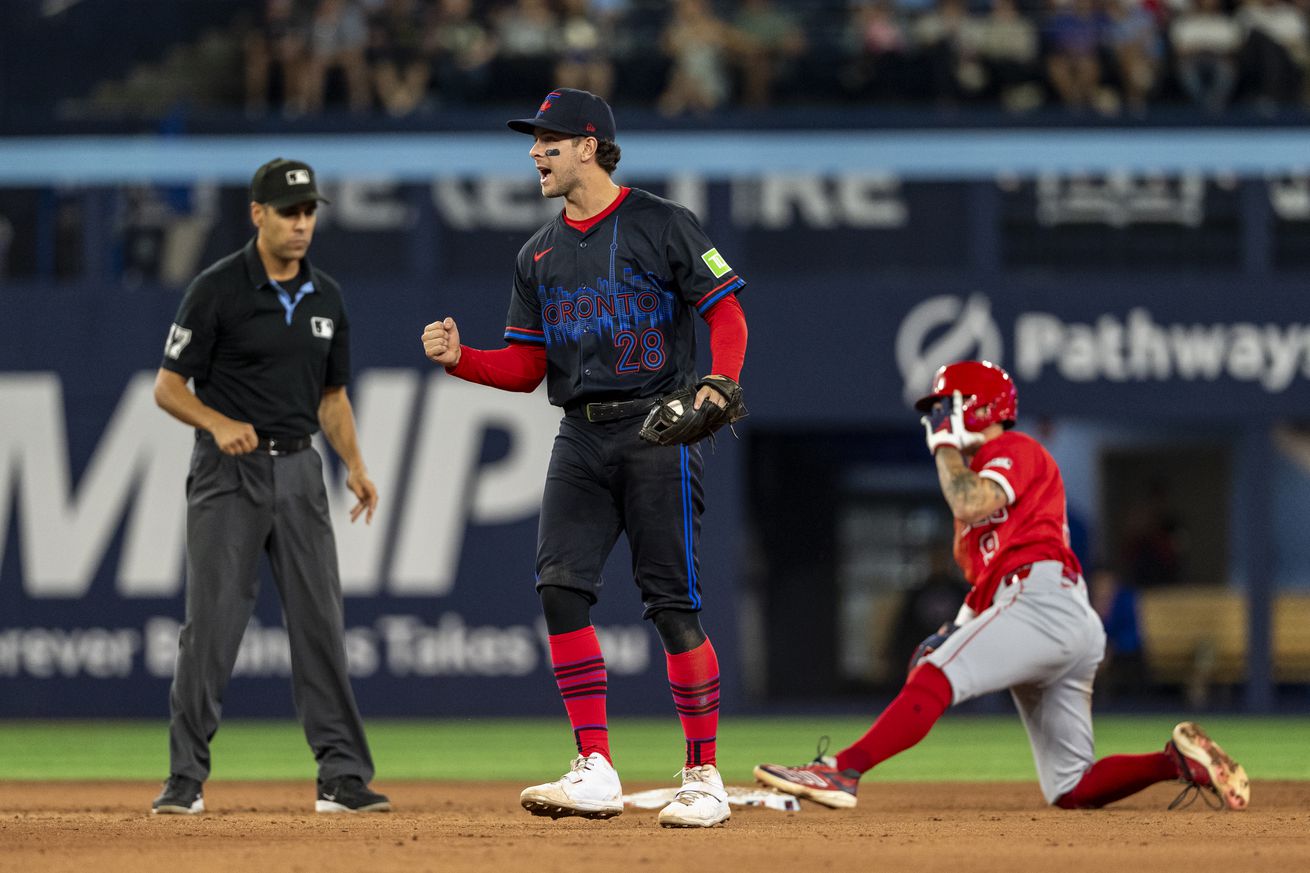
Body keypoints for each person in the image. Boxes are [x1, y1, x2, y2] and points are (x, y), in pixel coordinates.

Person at [421, 88, 749, 828]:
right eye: (535, 140)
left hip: (658, 426)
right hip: (581, 432)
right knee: (559, 587)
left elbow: (724, 309)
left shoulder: (662, 222)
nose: (535, 151)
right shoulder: (536, 252)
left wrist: (718, 383)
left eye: (549, 140)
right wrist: (462, 358)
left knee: (672, 606)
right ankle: (595, 765)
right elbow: (524, 367)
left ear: (590, 144)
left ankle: (704, 773)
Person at [755, 361, 1250, 813]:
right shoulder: (978, 506)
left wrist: (945, 448)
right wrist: (959, 626)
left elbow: (971, 501)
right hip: (1049, 610)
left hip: (1042, 601)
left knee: (935, 672)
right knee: (1071, 788)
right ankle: (1175, 763)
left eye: (946, 407)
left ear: (977, 407)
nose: (938, 419)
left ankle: (842, 770)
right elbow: (987, 577)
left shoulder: (1013, 448)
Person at [150, 158, 389, 816]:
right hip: (229, 474)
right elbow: (168, 387)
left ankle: (341, 776)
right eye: (290, 211)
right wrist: (218, 421)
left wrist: (356, 465)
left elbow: (332, 397)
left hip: (301, 469)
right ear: (258, 214)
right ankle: (185, 778)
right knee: (213, 627)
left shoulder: (327, 297)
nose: (302, 223)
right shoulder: (218, 288)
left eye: (309, 212)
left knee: (321, 625)